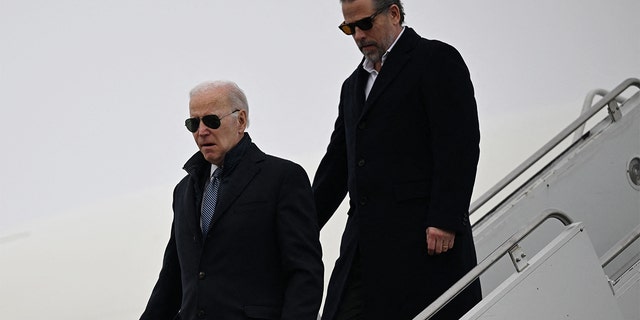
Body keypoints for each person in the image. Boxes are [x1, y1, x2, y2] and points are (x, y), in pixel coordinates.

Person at [313, 0, 482, 319]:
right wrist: (300, 226)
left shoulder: (435, 59)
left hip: (424, 242)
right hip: (363, 246)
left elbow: (458, 143)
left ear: (393, 13)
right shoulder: (352, 86)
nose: (359, 35)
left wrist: (445, 218)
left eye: (365, 24)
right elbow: (336, 166)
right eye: (349, 28)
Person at [141, 80, 324, 320]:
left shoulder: (282, 178)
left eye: (212, 121)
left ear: (241, 121)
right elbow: (171, 280)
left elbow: (304, 272)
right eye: (193, 123)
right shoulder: (184, 191)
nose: (202, 131)